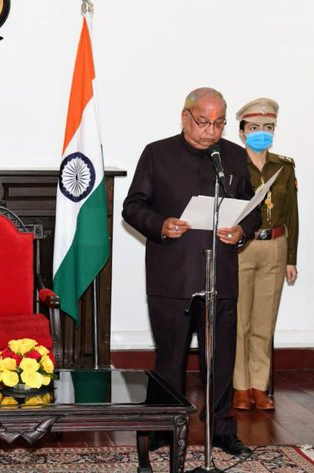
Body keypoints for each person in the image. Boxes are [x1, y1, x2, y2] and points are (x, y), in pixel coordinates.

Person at [122, 87, 260, 458]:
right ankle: (165, 426)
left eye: (218, 123)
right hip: (173, 277)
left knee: (220, 359)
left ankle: (220, 429)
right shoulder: (157, 153)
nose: (211, 131)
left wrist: (241, 230)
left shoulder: (231, 155)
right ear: (185, 117)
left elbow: (252, 208)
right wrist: (161, 223)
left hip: (221, 277)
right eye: (203, 122)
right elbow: (132, 207)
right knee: (170, 358)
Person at [232, 98, 298, 411]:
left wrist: (291, 258)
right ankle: (240, 387)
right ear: (243, 132)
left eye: (268, 127)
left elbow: (291, 215)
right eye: (255, 127)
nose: (262, 132)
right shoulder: (233, 165)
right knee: (240, 322)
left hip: (275, 246)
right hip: (242, 247)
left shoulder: (284, 167)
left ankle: (259, 386)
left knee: (264, 323)